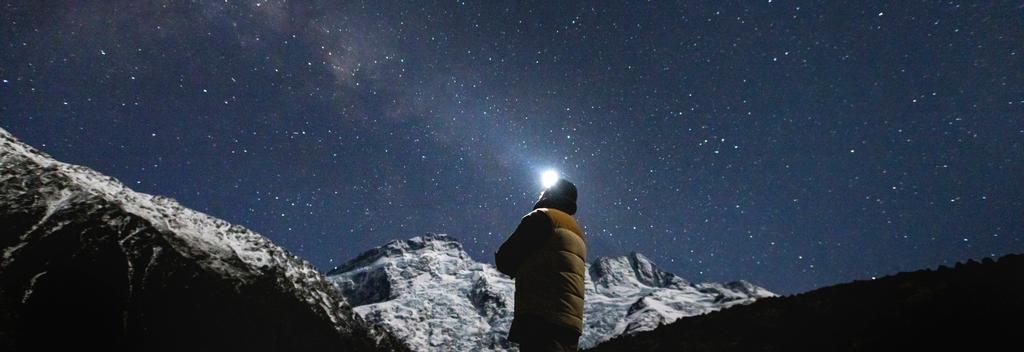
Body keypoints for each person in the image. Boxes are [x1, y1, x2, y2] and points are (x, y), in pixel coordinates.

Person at [495, 178, 586, 352]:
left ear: (550, 194)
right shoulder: (577, 232)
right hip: (570, 323)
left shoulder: (543, 217)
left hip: (540, 317)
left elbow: (505, 259)